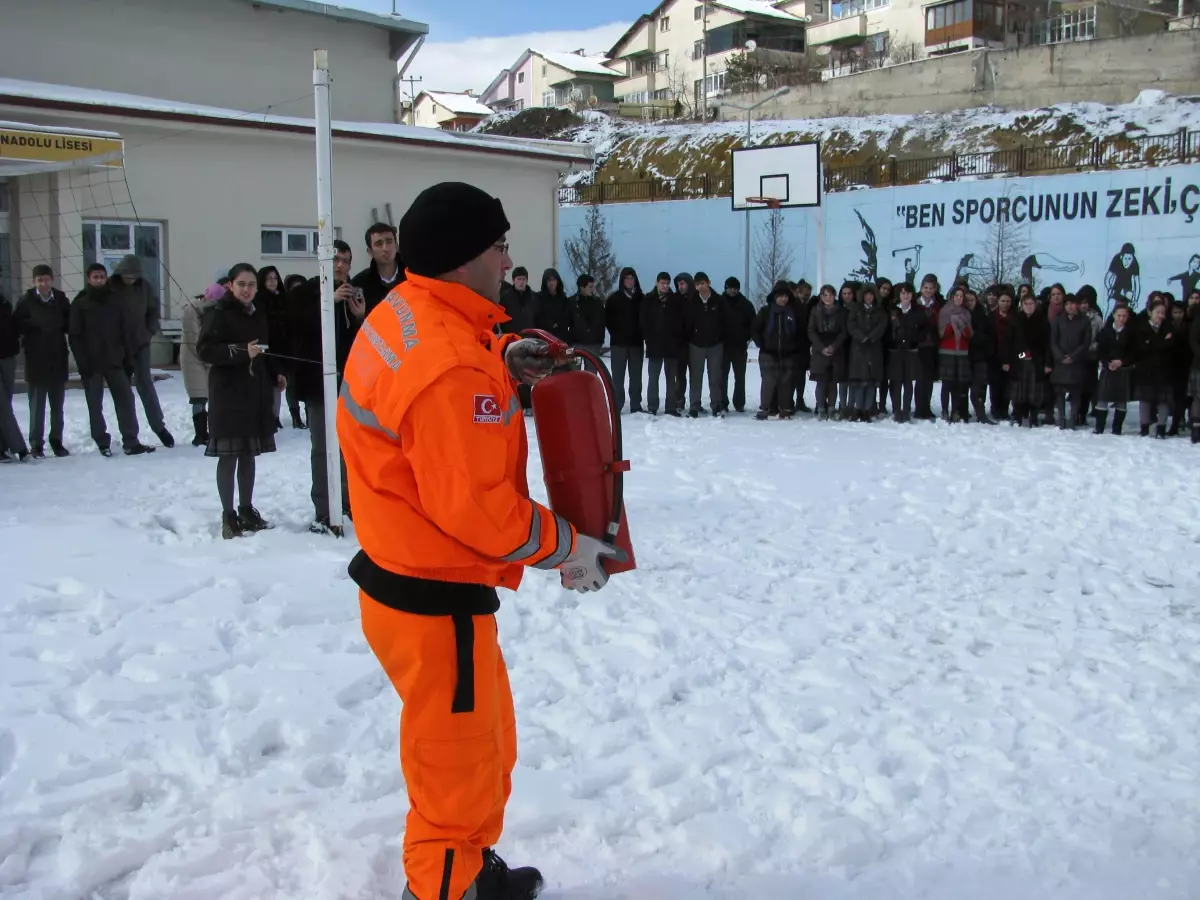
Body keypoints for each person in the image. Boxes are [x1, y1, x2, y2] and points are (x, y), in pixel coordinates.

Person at [336, 181, 625, 900]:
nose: (506, 258)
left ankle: (466, 865)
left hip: (414, 585)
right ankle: (442, 886)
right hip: (433, 599)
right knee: (456, 767)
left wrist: (504, 353)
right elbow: (480, 513)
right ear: (466, 256)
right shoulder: (449, 369)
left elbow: (449, 357)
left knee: (484, 746)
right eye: (498, 245)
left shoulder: (405, 310)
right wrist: (572, 547)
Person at [197, 264, 284, 538]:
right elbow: (206, 350)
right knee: (229, 455)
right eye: (242, 284)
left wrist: (275, 373)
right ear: (231, 285)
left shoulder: (258, 313)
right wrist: (239, 351)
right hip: (227, 394)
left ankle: (246, 509)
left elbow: (265, 349)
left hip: (254, 392)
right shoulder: (218, 313)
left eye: (251, 285)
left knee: (249, 454)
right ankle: (229, 515)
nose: (247, 290)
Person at [291, 239, 364, 532]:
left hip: (350, 382)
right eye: (335, 259)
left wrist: (359, 317)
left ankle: (347, 501)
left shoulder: (355, 292)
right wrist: (329, 301)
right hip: (317, 382)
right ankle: (324, 507)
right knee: (323, 446)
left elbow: (363, 339)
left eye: (346, 261)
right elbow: (297, 326)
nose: (340, 265)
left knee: (349, 446)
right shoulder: (306, 292)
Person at [69, 264, 153, 457]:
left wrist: (127, 357)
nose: (99, 280)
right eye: (95, 277)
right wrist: (83, 363)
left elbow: (125, 331)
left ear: (106, 278)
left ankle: (131, 441)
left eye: (102, 276)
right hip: (91, 363)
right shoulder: (80, 304)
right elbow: (75, 337)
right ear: (89, 279)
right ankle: (101, 441)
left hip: (115, 360)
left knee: (125, 399)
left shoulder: (116, 301)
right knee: (95, 403)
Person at [109, 254, 174, 448]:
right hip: (117, 347)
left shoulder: (144, 287)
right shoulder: (110, 288)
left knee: (145, 384)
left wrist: (148, 332)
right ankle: (130, 436)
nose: (131, 280)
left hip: (141, 344)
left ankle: (159, 427)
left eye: (134, 276)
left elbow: (153, 311)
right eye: (128, 276)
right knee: (123, 393)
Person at [14, 264, 71, 457]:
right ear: (34, 282)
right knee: (37, 406)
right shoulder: (26, 301)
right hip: (36, 359)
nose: (43, 283)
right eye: (39, 280)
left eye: (46, 279)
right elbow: (18, 325)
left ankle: (57, 441)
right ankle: (36, 444)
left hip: (57, 357)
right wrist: (36, 324)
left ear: (51, 280)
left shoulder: (61, 299)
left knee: (57, 406)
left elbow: (69, 322)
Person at [182, 280, 226, 446]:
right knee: (199, 397)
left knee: (214, 396)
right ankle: (200, 434)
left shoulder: (212, 312)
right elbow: (195, 341)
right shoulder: (191, 311)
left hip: (208, 359)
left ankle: (213, 431)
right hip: (193, 359)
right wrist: (209, 359)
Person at [752, 281, 800, 420]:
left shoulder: (793, 312)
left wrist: (794, 346)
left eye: (785, 296)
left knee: (786, 382)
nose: (783, 299)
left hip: (788, 353)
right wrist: (761, 343)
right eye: (780, 296)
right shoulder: (766, 311)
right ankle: (765, 408)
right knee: (768, 381)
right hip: (768, 352)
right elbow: (755, 328)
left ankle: (784, 408)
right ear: (775, 297)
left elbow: (798, 332)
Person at [640, 272, 683, 416]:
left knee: (671, 379)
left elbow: (681, 321)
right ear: (657, 283)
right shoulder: (649, 299)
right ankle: (652, 406)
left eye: (667, 283)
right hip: (655, 344)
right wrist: (648, 338)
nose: (665, 286)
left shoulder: (675, 300)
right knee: (653, 377)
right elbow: (643, 321)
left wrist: (677, 337)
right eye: (662, 283)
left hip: (672, 345)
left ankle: (671, 407)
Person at [682, 272, 724, 417]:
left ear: (708, 283)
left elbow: (725, 322)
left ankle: (716, 406)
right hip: (696, 345)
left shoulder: (718, 300)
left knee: (715, 377)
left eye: (703, 283)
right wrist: (691, 338)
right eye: (698, 284)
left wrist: (720, 337)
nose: (701, 287)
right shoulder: (692, 301)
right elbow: (687, 322)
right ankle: (694, 406)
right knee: (695, 376)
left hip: (715, 345)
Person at [1050, 293, 1092, 430]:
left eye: (1072, 304)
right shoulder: (1058, 320)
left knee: (1076, 392)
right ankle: (1061, 418)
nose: (1070, 307)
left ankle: (1072, 419)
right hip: (1060, 362)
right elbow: (1053, 341)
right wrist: (1060, 356)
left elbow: (1085, 343)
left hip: (1077, 362)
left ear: (1077, 305)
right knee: (1060, 392)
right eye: (1067, 304)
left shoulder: (1084, 321)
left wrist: (1073, 357)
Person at [606, 267, 645, 413]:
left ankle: (636, 404)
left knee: (636, 377)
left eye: (631, 278)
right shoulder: (613, 299)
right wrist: (616, 333)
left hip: (636, 343)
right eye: (627, 278)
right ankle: (617, 403)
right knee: (618, 377)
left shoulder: (641, 298)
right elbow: (608, 320)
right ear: (622, 281)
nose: (629, 281)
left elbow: (646, 320)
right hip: (618, 344)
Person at [846, 283, 887, 421]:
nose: (869, 297)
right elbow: (851, 326)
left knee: (871, 381)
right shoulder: (855, 309)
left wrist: (871, 337)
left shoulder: (880, 311)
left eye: (871, 295)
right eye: (866, 295)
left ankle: (867, 410)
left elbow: (882, 326)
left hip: (874, 348)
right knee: (859, 381)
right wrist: (862, 337)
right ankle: (858, 408)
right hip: (858, 349)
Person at [0, 277, 30, 462]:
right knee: (2, 405)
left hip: (8, 356)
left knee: (5, 404)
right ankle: (19, 447)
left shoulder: (4, 297)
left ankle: (2, 447)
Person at [887, 282, 927, 423]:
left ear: (912, 295)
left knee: (908, 381)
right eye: (903, 293)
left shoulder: (918, 311)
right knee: (895, 381)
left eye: (908, 293)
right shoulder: (891, 310)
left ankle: (906, 409)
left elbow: (924, 331)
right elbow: (886, 330)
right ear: (899, 295)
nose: (906, 295)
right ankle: (897, 410)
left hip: (911, 350)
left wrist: (912, 339)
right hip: (895, 350)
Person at [1094, 304, 1136, 436]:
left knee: (1121, 400)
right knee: (1103, 398)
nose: (1121, 318)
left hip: (1123, 369)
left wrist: (1122, 361)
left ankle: (1117, 429)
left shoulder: (1131, 333)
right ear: (1113, 315)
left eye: (1124, 316)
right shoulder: (1106, 331)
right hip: (1108, 368)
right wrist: (1107, 363)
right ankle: (1099, 427)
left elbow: (1134, 352)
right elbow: (1100, 350)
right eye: (1119, 315)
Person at [352, 221, 405, 316]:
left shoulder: (412, 277)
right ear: (370, 251)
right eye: (379, 244)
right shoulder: (359, 284)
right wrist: (360, 318)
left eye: (389, 242)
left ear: (396, 246)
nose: (385, 248)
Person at [719, 276, 754, 414]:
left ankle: (739, 403)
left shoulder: (746, 304)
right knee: (722, 377)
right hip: (723, 347)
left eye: (735, 288)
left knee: (740, 377)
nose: (732, 291)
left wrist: (746, 337)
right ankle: (722, 402)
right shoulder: (719, 303)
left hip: (739, 346)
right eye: (730, 288)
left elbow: (752, 324)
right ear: (725, 288)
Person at [569, 273, 605, 365]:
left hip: (593, 344)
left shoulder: (597, 303)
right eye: (590, 286)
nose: (593, 289)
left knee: (591, 374)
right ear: (582, 287)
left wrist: (600, 341)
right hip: (576, 343)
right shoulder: (571, 302)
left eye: (593, 286)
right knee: (574, 374)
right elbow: (566, 322)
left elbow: (602, 323)